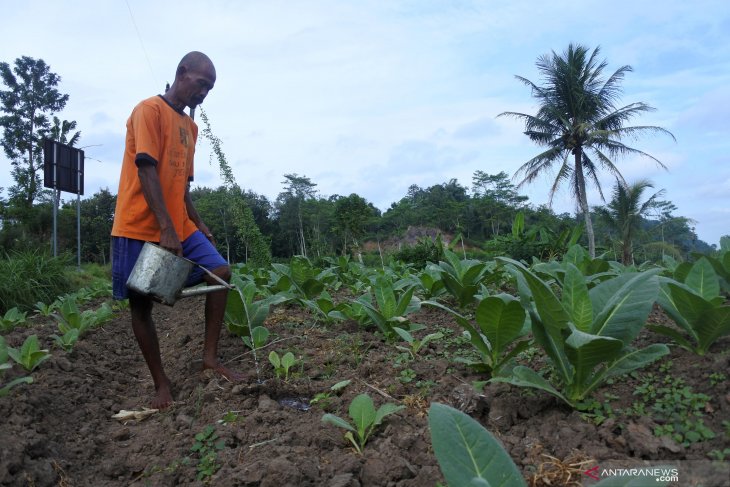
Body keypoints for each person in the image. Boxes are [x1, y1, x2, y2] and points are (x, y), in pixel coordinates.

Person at [111, 51, 243, 409]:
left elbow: (181, 185)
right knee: (141, 306)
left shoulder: (191, 128)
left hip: (179, 225)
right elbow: (147, 169)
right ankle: (160, 385)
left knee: (220, 271)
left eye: (210, 88)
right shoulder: (148, 111)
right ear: (182, 74)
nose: (204, 93)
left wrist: (196, 222)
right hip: (139, 224)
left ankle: (210, 358)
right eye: (202, 84)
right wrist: (165, 228)